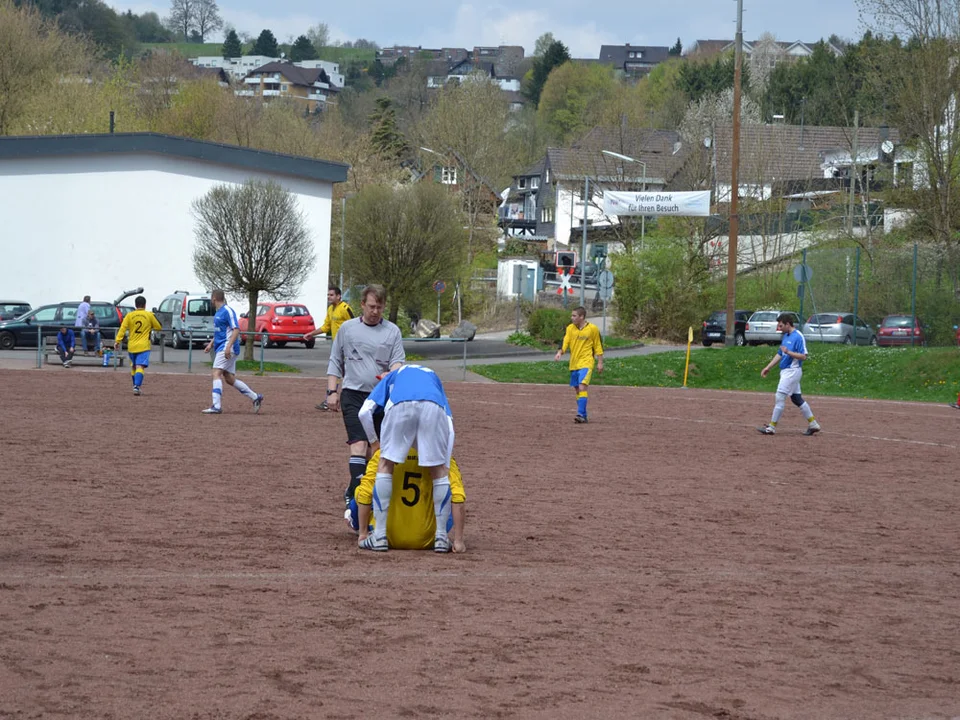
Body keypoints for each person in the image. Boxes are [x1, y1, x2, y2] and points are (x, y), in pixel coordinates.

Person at [356, 364, 455, 552]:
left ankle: (379, 535)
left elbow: (364, 412)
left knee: (385, 464)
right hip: (432, 406)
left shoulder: (391, 377)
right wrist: (446, 461)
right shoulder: (433, 377)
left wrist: (374, 443)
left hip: (400, 405)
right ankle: (441, 537)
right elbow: (449, 424)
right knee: (438, 471)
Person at [326, 284, 405, 509]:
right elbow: (335, 360)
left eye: (379, 307)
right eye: (371, 306)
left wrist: (393, 372)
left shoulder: (392, 331)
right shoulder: (347, 329)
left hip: (380, 398)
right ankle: (357, 497)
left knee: (375, 450)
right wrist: (332, 391)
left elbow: (398, 360)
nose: (375, 311)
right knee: (359, 445)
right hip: (353, 395)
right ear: (362, 305)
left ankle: (354, 487)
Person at [347, 447, 466, 553]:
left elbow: (364, 494)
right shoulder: (442, 455)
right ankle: (441, 537)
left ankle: (371, 533)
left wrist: (363, 534)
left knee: (358, 495)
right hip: (429, 538)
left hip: (389, 537)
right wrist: (458, 541)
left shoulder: (383, 455)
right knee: (446, 498)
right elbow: (458, 497)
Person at [758, 312, 822, 436]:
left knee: (780, 397)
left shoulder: (798, 336)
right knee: (796, 398)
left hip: (792, 371)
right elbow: (780, 354)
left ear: (788, 324)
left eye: (781, 326)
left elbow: (803, 356)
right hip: (786, 372)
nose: (779, 328)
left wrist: (789, 352)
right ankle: (813, 424)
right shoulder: (786, 336)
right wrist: (768, 367)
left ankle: (771, 427)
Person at [202, 289, 263, 414]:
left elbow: (236, 329)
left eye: (211, 298)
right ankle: (255, 397)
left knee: (216, 373)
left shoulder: (228, 311)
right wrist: (211, 344)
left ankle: (216, 406)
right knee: (229, 378)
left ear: (214, 298)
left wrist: (228, 347)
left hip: (226, 347)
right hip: (221, 347)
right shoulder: (218, 313)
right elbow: (219, 332)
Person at [304, 286, 355, 410]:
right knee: (336, 372)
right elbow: (326, 326)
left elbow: (356, 326)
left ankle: (350, 400)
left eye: (331, 295)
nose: (329, 297)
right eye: (328, 295)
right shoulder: (331, 309)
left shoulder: (345, 309)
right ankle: (331, 399)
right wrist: (312, 333)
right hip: (337, 346)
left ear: (338, 296)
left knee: (349, 373)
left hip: (348, 346)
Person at [554, 306, 604, 424]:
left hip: (586, 362)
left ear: (582, 317)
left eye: (574, 316)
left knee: (582, 386)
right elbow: (565, 341)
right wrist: (559, 352)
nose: (572, 318)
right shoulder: (570, 328)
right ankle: (584, 415)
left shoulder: (592, 329)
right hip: (574, 364)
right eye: (572, 315)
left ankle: (580, 414)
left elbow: (598, 346)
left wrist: (600, 362)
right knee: (577, 390)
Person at [113, 295, 161, 396]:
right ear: (145, 305)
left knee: (134, 367)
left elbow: (122, 329)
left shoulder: (129, 316)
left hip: (132, 346)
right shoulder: (149, 315)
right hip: (144, 346)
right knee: (140, 367)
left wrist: (117, 341)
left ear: (135, 305)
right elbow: (158, 327)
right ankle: (137, 386)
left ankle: (135, 386)